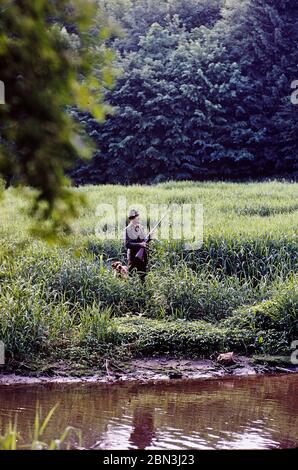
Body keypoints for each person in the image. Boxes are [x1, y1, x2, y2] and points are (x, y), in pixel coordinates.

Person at [124, 209, 149, 282]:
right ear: (133, 218)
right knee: (131, 276)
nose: (139, 218)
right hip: (133, 256)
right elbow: (127, 244)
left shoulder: (141, 227)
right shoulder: (127, 230)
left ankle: (143, 291)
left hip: (142, 255)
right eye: (138, 217)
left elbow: (144, 241)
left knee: (143, 276)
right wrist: (140, 244)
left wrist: (150, 237)